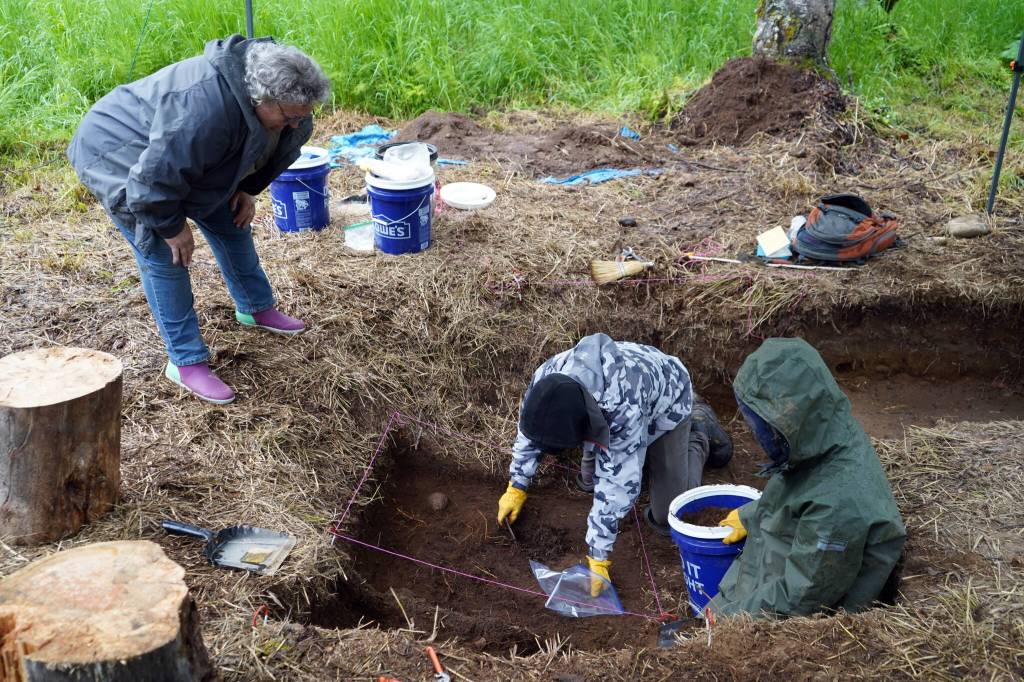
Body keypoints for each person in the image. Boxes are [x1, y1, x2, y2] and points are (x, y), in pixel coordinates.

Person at [67, 35, 331, 404]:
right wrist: (172, 226)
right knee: (164, 254)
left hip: (175, 159)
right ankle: (185, 361)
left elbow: (274, 150)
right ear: (260, 97)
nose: (295, 124)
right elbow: (153, 178)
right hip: (120, 152)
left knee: (232, 219)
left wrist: (248, 189)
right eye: (288, 116)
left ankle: (256, 308)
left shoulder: (288, 110)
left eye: (303, 115)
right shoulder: (203, 108)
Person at [495, 333, 733, 596]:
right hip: (617, 397)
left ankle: (698, 429)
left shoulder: (623, 405)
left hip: (667, 397)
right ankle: (647, 446)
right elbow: (530, 435)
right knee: (588, 481)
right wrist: (516, 486)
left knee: (668, 516)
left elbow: (617, 483)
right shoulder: (546, 380)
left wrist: (599, 556)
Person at [708, 338, 906, 618]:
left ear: (790, 422)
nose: (752, 433)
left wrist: (720, 620)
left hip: (800, 610)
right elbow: (799, 488)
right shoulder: (821, 435)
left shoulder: (838, 504)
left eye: (759, 425)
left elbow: (801, 597)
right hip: (791, 559)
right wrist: (752, 515)